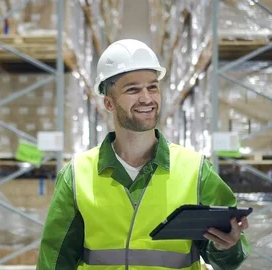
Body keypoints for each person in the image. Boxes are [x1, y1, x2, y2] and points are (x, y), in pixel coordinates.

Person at [37, 39, 250, 269]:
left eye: (152, 87)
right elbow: (55, 259)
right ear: (109, 103)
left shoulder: (196, 170)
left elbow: (229, 257)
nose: (147, 98)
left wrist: (226, 246)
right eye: (133, 89)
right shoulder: (77, 175)